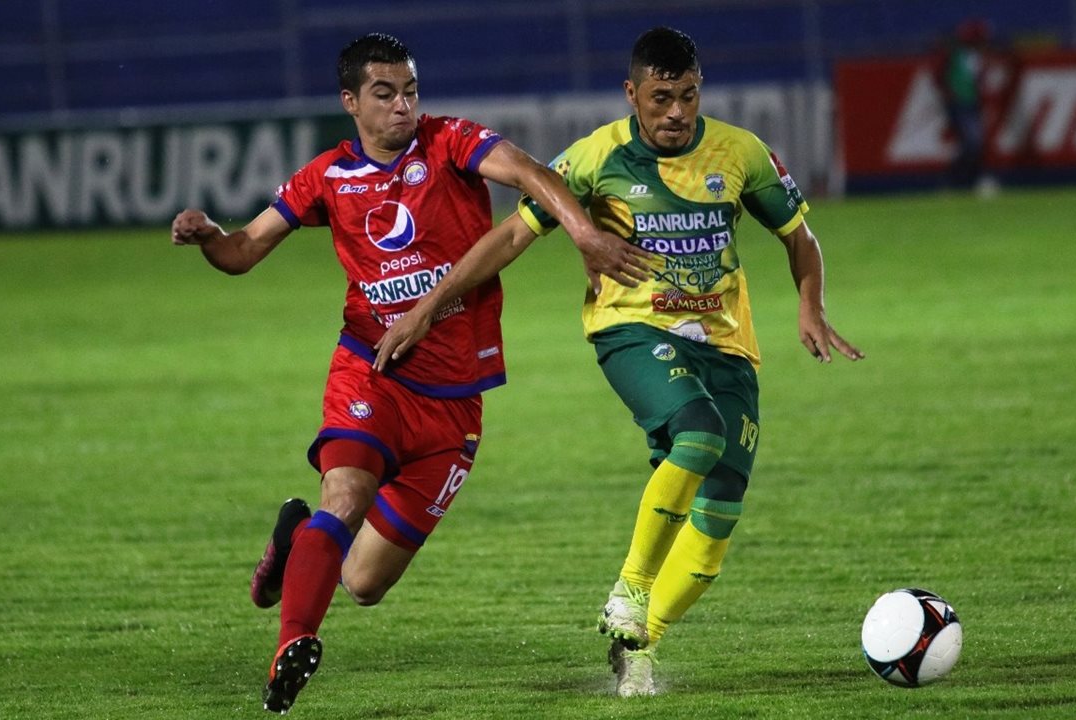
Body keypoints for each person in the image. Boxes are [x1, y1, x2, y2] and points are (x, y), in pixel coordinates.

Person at [373, 26, 864, 697]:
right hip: (632, 328)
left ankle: (638, 648)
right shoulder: (594, 158)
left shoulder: (740, 153)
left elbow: (799, 237)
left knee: (718, 521)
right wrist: (429, 306)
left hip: (726, 342)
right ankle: (630, 589)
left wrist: (811, 307)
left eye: (688, 97)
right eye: (661, 98)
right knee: (700, 433)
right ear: (632, 94)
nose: (676, 113)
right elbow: (513, 234)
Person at [171, 33, 647, 714]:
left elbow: (536, 175)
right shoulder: (326, 178)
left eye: (411, 89)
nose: (403, 105)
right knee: (346, 494)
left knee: (363, 581)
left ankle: (294, 542)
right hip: (372, 369)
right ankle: (292, 646)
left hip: (454, 404)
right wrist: (211, 236)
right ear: (350, 101)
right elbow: (245, 250)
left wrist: (585, 234)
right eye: (385, 93)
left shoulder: (451, 142)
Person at [939, 18, 998, 194]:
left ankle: (964, 180)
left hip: (971, 104)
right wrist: (949, 95)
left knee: (974, 144)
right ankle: (960, 179)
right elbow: (943, 76)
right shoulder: (955, 54)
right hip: (959, 105)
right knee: (973, 143)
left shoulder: (976, 57)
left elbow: (978, 81)